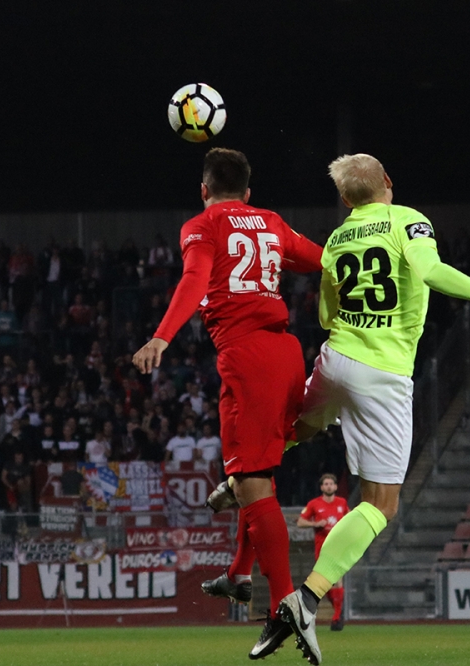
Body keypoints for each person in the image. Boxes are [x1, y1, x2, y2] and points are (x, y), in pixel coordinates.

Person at [276, 153, 470, 665]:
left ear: (345, 198)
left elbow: (325, 313)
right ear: (388, 182)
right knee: (381, 505)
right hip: (383, 372)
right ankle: (307, 598)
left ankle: (241, 472)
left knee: (301, 426)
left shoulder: (337, 239)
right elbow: (430, 270)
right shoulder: (407, 220)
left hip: (335, 357)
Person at [133, 147, 322, 660]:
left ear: (204, 189)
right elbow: (321, 261)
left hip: (247, 356)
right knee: (250, 473)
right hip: (285, 351)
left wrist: (162, 336)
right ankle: (239, 573)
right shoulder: (272, 222)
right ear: (248, 191)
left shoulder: (202, 225)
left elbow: (195, 279)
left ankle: (287, 605)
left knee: (251, 480)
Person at [296, 473, 349, 631]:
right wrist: (316, 523)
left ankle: (337, 617)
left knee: (337, 579)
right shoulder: (314, 504)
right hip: (322, 548)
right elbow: (300, 522)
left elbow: (351, 519)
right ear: (321, 487)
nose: (329, 486)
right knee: (326, 583)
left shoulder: (342, 503)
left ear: (336, 486)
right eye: (326, 484)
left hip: (338, 547)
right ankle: (338, 609)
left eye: (331, 484)